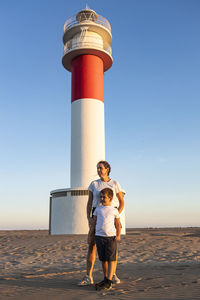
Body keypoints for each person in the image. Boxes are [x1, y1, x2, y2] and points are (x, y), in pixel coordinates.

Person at [78, 160, 124, 286]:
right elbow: (89, 202)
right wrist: (89, 218)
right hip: (96, 214)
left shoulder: (115, 183)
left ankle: (112, 274)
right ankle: (88, 276)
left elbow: (121, 202)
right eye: (97, 168)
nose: (99, 170)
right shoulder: (94, 184)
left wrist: (116, 216)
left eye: (101, 168)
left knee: (112, 245)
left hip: (111, 215)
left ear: (107, 169)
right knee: (92, 246)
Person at [93, 188, 121, 290]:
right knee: (103, 259)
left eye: (104, 197)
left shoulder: (114, 210)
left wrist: (118, 235)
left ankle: (109, 280)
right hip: (99, 236)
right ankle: (105, 278)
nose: (101, 198)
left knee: (111, 259)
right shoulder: (97, 209)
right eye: (100, 197)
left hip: (111, 237)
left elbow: (118, 224)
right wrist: (91, 235)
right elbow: (94, 223)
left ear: (110, 198)